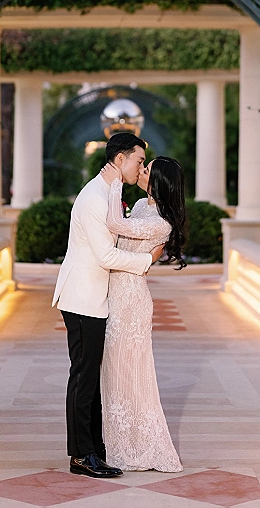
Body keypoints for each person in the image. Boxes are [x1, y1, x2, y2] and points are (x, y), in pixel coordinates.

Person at [52, 132, 165, 479]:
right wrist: (146, 261)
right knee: (84, 378)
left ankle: (94, 450)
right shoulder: (95, 199)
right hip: (83, 297)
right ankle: (82, 456)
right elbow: (104, 255)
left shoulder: (109, 193)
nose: (140, 167)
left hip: (95, 298)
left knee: (89, 377)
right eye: (138, 161)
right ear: (120, 159)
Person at [100, 155, 186, 472]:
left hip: (132, 301)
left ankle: (141, 447)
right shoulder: (139, 206)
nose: (141, 169)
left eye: (146, 169)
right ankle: (119, 442)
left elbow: (114, 224)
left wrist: (113, 186)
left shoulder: (160, 221)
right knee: (113, 372)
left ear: (157, 181)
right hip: (116, 293)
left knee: (132, 374)